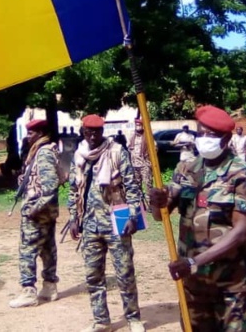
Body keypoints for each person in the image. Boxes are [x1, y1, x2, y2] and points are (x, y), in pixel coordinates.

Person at [149, 105, 246, 331]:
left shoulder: (244, 174)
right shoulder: (186, 168)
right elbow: (159, 216)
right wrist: (156, 200)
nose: (204, 139)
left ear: (226, 138)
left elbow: (242, 231)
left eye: (211, 134)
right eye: (201, 133)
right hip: (194, 285)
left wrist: (194, 262)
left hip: (232, 285)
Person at [68, 114, 145, 332]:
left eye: (96, 132)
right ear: (83, 132)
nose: (92, 136)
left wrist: (132, 216)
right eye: (88, 132)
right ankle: (101, 320)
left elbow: (131, 186)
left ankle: (133, 318)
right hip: (90, 224)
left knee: (125, 272)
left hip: (116, 220)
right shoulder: (80, 154)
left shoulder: (116, 151)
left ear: (102, 132)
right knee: (93, 275)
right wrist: (74, 217)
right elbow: (74, 189)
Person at [9, 119, 61, 308]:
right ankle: (49, 287)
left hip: (38, 213)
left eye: (31, 133)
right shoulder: (42, 151)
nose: (27, 136)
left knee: (27, 250)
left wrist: (33, 208)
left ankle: (28, 291)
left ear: (39, 133)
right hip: (46, 212)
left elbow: (50, 187)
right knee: (47, 249)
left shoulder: (43, 153)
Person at [128, 119, 154, 207]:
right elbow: (128, 148)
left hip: (145, 165)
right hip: (134, 165)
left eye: (139, 124)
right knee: (136, 186)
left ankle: (150, 205)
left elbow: (155, 149)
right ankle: (140, 205)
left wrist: (149, 158)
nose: (138, 126)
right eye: (136, 124)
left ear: (142, 125)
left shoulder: (148, 136)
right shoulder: (132, 136)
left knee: (148, 185)